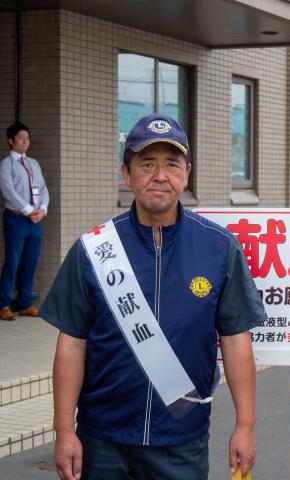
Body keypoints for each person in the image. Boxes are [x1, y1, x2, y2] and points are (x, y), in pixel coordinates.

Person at [40, 114, 266, 480]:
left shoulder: (218, 247)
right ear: (126, 174)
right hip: (102, 441)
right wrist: (64, 430)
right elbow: (71, 345)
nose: (160, 175)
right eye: (147, 164)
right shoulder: (93, 249)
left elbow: (237, 340)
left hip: (181, 441)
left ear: (186, 173)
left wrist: (245, 425)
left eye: (171, 165)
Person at [0, 122, 49, 321]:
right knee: (13, 261)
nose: (25, 142)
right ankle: (3, 304)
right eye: (21, 138)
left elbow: (43, 188)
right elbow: (8, 191)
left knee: (30, 262)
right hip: (16, 219)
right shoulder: (6, 164)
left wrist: (43, 209)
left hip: (35, 220)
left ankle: (25, 303)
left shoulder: (34, 164)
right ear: (11, 141)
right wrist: (29, 210)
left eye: (27, 138)